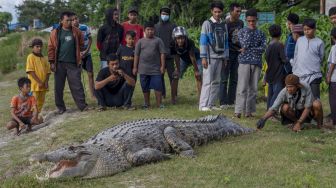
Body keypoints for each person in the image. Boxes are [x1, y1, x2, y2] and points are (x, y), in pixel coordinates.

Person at [48, 11, 88, 114]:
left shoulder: (77, 31)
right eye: (67, 20)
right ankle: (60, 107)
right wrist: (52, 62)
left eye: (71, 20)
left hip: (73, 63)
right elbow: (51, 48)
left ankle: (83, 106)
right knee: (58, 87)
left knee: (77, 85)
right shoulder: (55, 32)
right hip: (59, 63)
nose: (70, 22)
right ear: (61, 21)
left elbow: (82, 44)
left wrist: (81, 52)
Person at [256, 74, 323, 132]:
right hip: (294, 112)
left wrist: (300, 122)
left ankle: (319, 126)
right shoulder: (284, 92)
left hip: (306, 111)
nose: (289, 89)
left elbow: (308, 107)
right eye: (287, 86)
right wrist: (263, 119)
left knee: (317, 104)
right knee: (284, 108)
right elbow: (273, 108)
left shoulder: (306, 87)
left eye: (291, 87)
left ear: (297, 86)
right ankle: (296, 123)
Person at [234, 8, 266, 118]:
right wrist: (249, 33)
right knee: (242, 87)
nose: (251, 23)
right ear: (246, 20)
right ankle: (238, 111)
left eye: (253, 21)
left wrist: (248, 49)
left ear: (257, 20)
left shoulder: (261, 33)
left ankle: (249, 112)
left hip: (256, 62)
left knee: (253, 88)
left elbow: (263, 48)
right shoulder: (241, 32)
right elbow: (244, 45)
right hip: (244, 62)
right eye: (249, 21)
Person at [199, 1, 229, 111]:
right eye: (215, 12)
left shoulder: (224, 24)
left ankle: (211, 104)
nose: (217, 14)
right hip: (209, 58)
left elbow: (226, 42)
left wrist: (226, 57)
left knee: (216, 81)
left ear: (222, 12)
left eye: (219, 12)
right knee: (207, 81)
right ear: (211, 11)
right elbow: (203, 41)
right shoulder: (206, 23)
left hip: (220, 57)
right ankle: (203, 105)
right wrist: (203, 57)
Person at [133, 21, 166, 109]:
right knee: (145, 87)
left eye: (151, 30)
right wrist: (135, 67)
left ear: (154, 30)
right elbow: (136, 55)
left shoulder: (158, 40)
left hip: (155, 69)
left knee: (158, 86)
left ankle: (159, 104)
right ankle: (146, 104)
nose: (150, 31)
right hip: (143, 69)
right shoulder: (140, 42)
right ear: (144, 30)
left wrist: (162, 66)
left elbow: (162, 53)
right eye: (148, 30)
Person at [291, 18, 324, 99]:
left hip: (314, 75)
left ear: (314, 29)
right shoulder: (299, 40)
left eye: (309, 29)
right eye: (305, 29)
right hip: (299, 74)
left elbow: (321, 57)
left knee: (315, 98)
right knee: (301, 98)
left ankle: (316, 111)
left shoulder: (319, 42)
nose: (306, 31)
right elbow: (296, 55)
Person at [219, 2, 244, 109]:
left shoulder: (241, 23)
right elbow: (222, 40)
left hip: (238, 53)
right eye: (237, 11)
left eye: (240, 11)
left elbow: (242, 37)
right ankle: (223, 101)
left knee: (234, 78)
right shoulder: (225, 24)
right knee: (224, 78)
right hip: (227, 54)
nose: (239, 13)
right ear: (231, 11)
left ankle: (231, 100)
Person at [154, 6, 178, 104]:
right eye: (163, 14)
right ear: (160, 14)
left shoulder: (173, 26)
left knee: (172, 76)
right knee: (160, 76)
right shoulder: (156, 27)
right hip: (159, 55)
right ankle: (162, 94)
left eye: (167, 14)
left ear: (169, 15)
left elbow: (176, 41)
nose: (165, 15)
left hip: (171, 55)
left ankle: (174, 95)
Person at [170, 26, 202, 97]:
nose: (180, 40)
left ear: (185, 37)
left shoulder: (190, 42)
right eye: (178, 38)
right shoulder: (172, 44)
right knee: (175, 76)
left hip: (196, 58)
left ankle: (201, 98)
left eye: (182, 38)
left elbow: (192, 57)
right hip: (184, 59)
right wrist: (178, 69)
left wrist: (196, 70)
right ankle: (173, 98)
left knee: (199, 76)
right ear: (175, 38)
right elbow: (176, 57)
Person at [71, 13, 95, 100]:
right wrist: (78, 53)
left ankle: (92, 94)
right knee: (77, 75)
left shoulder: (84, 27)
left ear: (78, 19)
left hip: (87, 54)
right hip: (76, 56)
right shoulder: (70, 29)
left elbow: (90, 39)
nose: (74, 21)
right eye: (72, 20)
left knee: (90, 74)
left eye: (76, 19)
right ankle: (80, 96)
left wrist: (86, 51)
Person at [264, 24, 287, 109]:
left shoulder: (269, 45)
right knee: (277, 94)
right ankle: (272, 111)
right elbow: (284, 59)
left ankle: (268, 110)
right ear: (280, 33)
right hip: (278, 73)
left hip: (270, 72)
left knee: (270, 93)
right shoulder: (279, 45)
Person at [26, 38, 51, 112]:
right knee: (33, 102)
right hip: (34, 85)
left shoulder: (44, 58)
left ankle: (36, 115)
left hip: (43, 85)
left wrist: (46, 82)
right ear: (33, 47)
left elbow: (48, 72)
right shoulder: (30, 57)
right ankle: (29, 117)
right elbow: (30, 71)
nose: (39, 48)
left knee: (41, 101)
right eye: (37, 46)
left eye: (40, 46)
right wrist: (39, 82)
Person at [116, 30, 137, 109]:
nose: (131, 41)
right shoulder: (121, 48)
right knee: (122, 88)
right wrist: (117, 69)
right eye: (129, 39)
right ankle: (121, 103)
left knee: (130, 89)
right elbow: (116, 59)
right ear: (125, 39)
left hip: (132, 74)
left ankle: (127, 104)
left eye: (133, 39)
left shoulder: (136, 50)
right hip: (122, 73)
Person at [326, 27, 336, 127]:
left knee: (333, 100)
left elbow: (333, 63)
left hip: (334, 78)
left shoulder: (334, 47)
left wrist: (328, 76)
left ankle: (334, 120)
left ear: (332, 37)